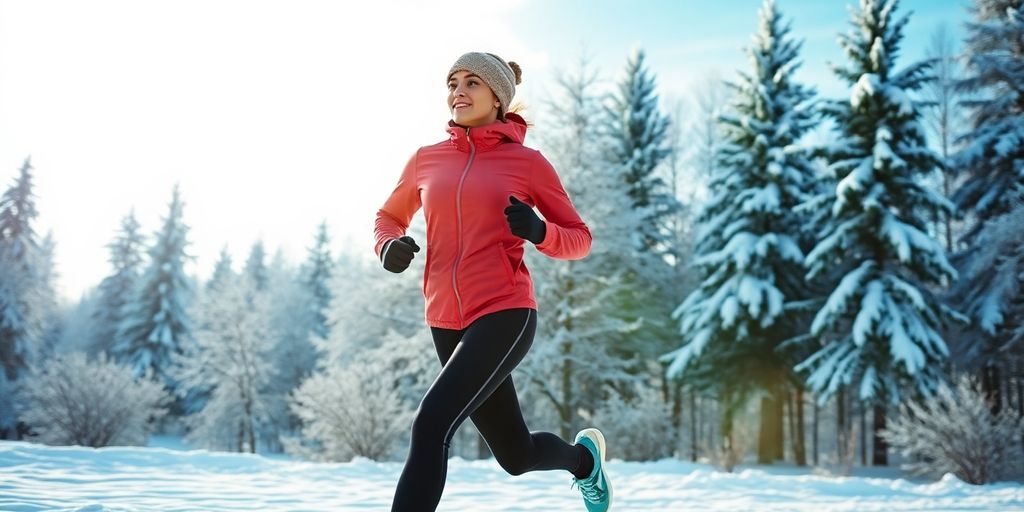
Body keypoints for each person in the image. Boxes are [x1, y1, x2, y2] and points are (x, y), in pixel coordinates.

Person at [373, 51, 614, 512]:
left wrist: (541, 231)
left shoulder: (527, 163)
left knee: (430, 424)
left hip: (505, 311)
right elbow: (388, 217)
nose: (458, 91)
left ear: (498, 98)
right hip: (445, 318)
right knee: (515, 454)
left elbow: (580, 239)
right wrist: (388, 246)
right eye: (452, 82)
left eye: (471, 83)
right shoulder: (426, 160)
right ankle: (585, 463)